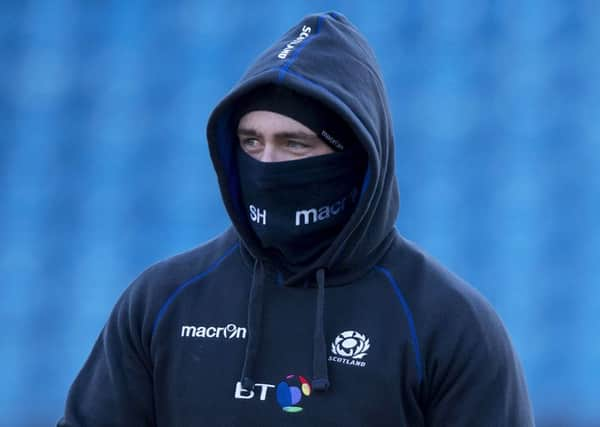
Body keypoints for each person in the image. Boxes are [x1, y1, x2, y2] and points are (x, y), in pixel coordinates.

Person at [58, 11, 534, 426]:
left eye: (295, 144)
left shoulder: (448, 324)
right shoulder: (162, 303)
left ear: (355, 155)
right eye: (250, 142)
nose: (266, 165)